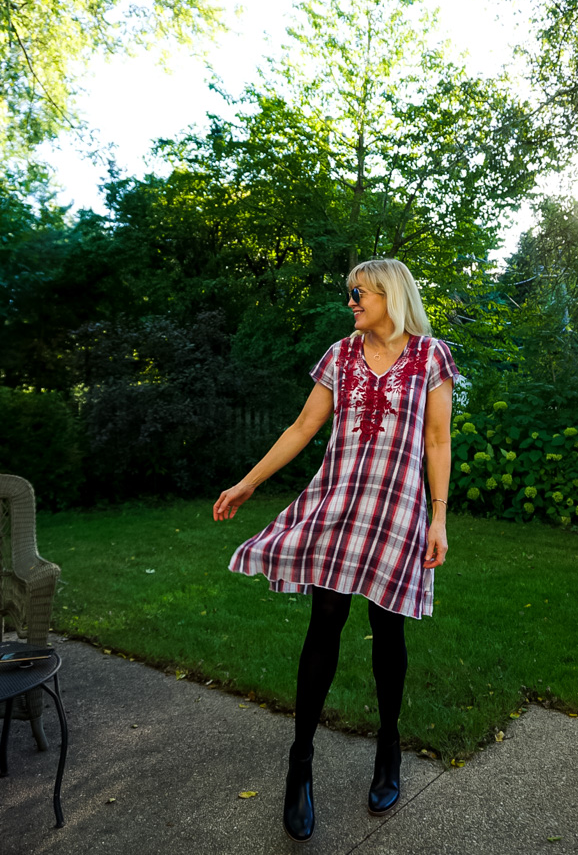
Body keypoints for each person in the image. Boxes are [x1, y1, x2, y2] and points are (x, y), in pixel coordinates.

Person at [213, 258, 459, 843]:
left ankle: (389, 750)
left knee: (388, 627)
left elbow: (437, 439)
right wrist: (249, 481)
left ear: (390, 295)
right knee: (325, 621)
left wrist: (439, 518)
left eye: (360, 293)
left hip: (398, 507)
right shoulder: (341, 355)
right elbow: (303, 426)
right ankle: (300, 764)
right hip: (340, 502)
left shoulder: (431, 357)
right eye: (351, 293)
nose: (351, 302)